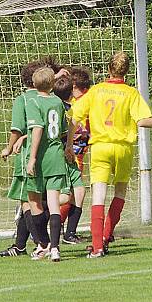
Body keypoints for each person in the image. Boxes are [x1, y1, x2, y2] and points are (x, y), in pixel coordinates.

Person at [71, 52, 152, 258]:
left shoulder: (95, 91)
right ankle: (105, 237)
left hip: (101, 147)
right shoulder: (131, 93)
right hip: (123, 148)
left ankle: (97, 247)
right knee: (120, 192)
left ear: (108, 68)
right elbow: (142, 121)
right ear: (126, 71)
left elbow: (75, 117)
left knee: (98, 196)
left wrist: (68, 143)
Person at [0, 57, 61, 257]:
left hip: (28, 156)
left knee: (28, 201)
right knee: (41, 201)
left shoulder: (23, 99)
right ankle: (23, 245)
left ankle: (42, 243)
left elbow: (17, 129)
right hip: (52, 156)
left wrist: (8, 148)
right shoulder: (53, 100)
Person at [25, 67, 70, 262]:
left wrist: (32, 157)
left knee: (34, 200)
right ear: (52, 84)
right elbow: (62, 129)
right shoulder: (58, 102)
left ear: (34, 85)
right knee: (53, 204)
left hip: (43, 156)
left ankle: (42, 244)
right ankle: (55, 249)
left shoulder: (33, 101)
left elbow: (37, 128)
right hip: (56, 154)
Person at [57, 67, 92, 244]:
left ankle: (67, 232)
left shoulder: (79, 102)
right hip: (68, 154)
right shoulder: (69, 106)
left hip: (75, 152)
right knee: (70, 194)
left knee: (75, 193)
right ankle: (39, 217)